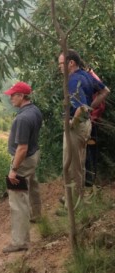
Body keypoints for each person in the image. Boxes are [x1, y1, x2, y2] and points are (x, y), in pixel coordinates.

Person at [59, 50, 108, 203]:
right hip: (86, 123)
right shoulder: (86, 75)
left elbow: (79, 107)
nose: (59, 67)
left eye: (61, 64)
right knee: (79, 162)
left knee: (72, 164)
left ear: (71, 63)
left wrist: (73, 123)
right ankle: (74, 199)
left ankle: (73, 203)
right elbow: (105, 91)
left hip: (77, 125)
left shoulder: (73, 80)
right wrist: (90, 108)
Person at [3, 81, 43, 253]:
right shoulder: (35, 110)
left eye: (13, 95)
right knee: (32, 185)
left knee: (17, 198)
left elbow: (21, 148)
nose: (11, 98)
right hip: (33, 155)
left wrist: (13, 169)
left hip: (23, 159)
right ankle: (36, 215)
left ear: (21, 96)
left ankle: (20, 241)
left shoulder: (22, 118)